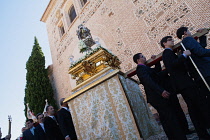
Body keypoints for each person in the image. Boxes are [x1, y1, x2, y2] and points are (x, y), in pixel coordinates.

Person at [161, 36, 210, 139]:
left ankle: (202, 133)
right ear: (164, 43)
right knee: (198, 105)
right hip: (184, 84)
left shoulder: (170, 53)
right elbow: (173, 66)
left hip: (184, 84)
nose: (172, 41)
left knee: (194, 108)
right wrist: (183, 55)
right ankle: (203, 131)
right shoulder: (166, 53)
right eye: (170, 40)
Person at [133, 53, 187, 140]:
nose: (145, 57)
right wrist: (161, 91)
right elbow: (149, 82)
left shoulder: (145, 68)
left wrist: (156, 62)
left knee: (166, 118)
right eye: (143, 56)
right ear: (138, 60)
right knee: (169, 117)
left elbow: (156, 73)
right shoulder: (140, 69)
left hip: (157, 96)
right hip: (156, 97)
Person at [176, 27, 210, 129]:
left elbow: (201, 47)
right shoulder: (188, 40)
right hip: (204, 72)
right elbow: (200, 52)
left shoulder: (187, 42)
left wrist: (202, 36)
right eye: (189, 30)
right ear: (185, 32)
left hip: (201, 74)